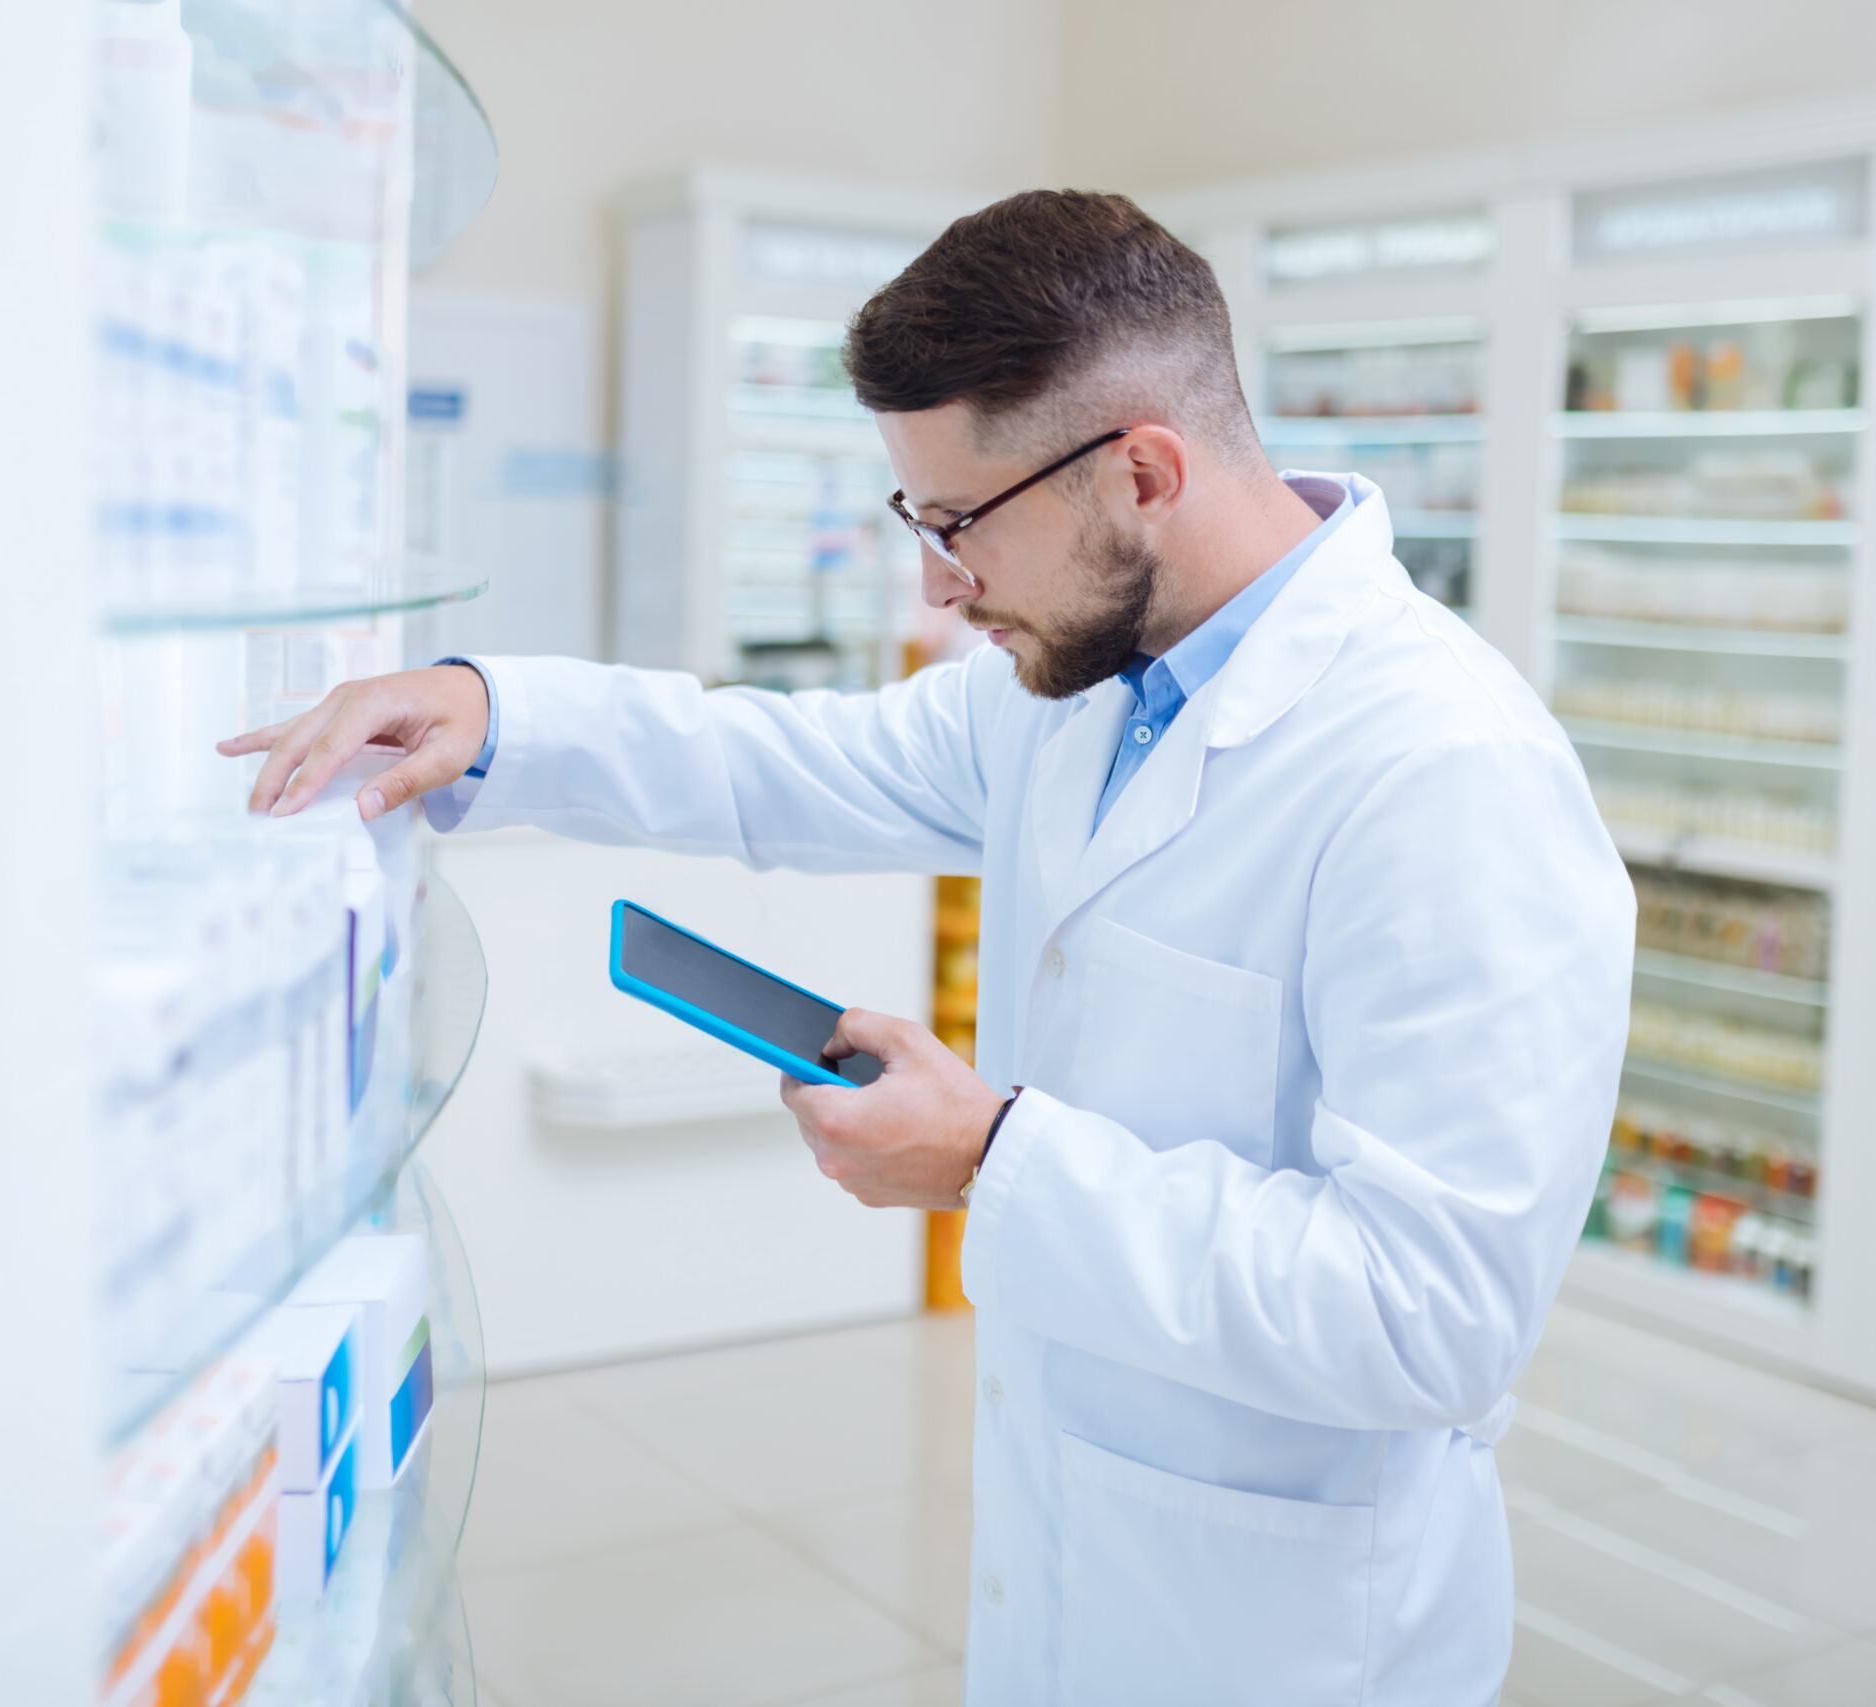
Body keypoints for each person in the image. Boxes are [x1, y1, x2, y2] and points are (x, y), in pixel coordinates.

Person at [224, 190, 1633, 1705]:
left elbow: (1434, 1318)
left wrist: (993, 1159)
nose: (936, 586)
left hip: (1293, 1633)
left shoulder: (1444, 772)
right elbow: (791, 763)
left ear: (1143, 471)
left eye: (957, 524)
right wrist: (497, 713)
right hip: (1083, 1560)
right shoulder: (1093, 682)